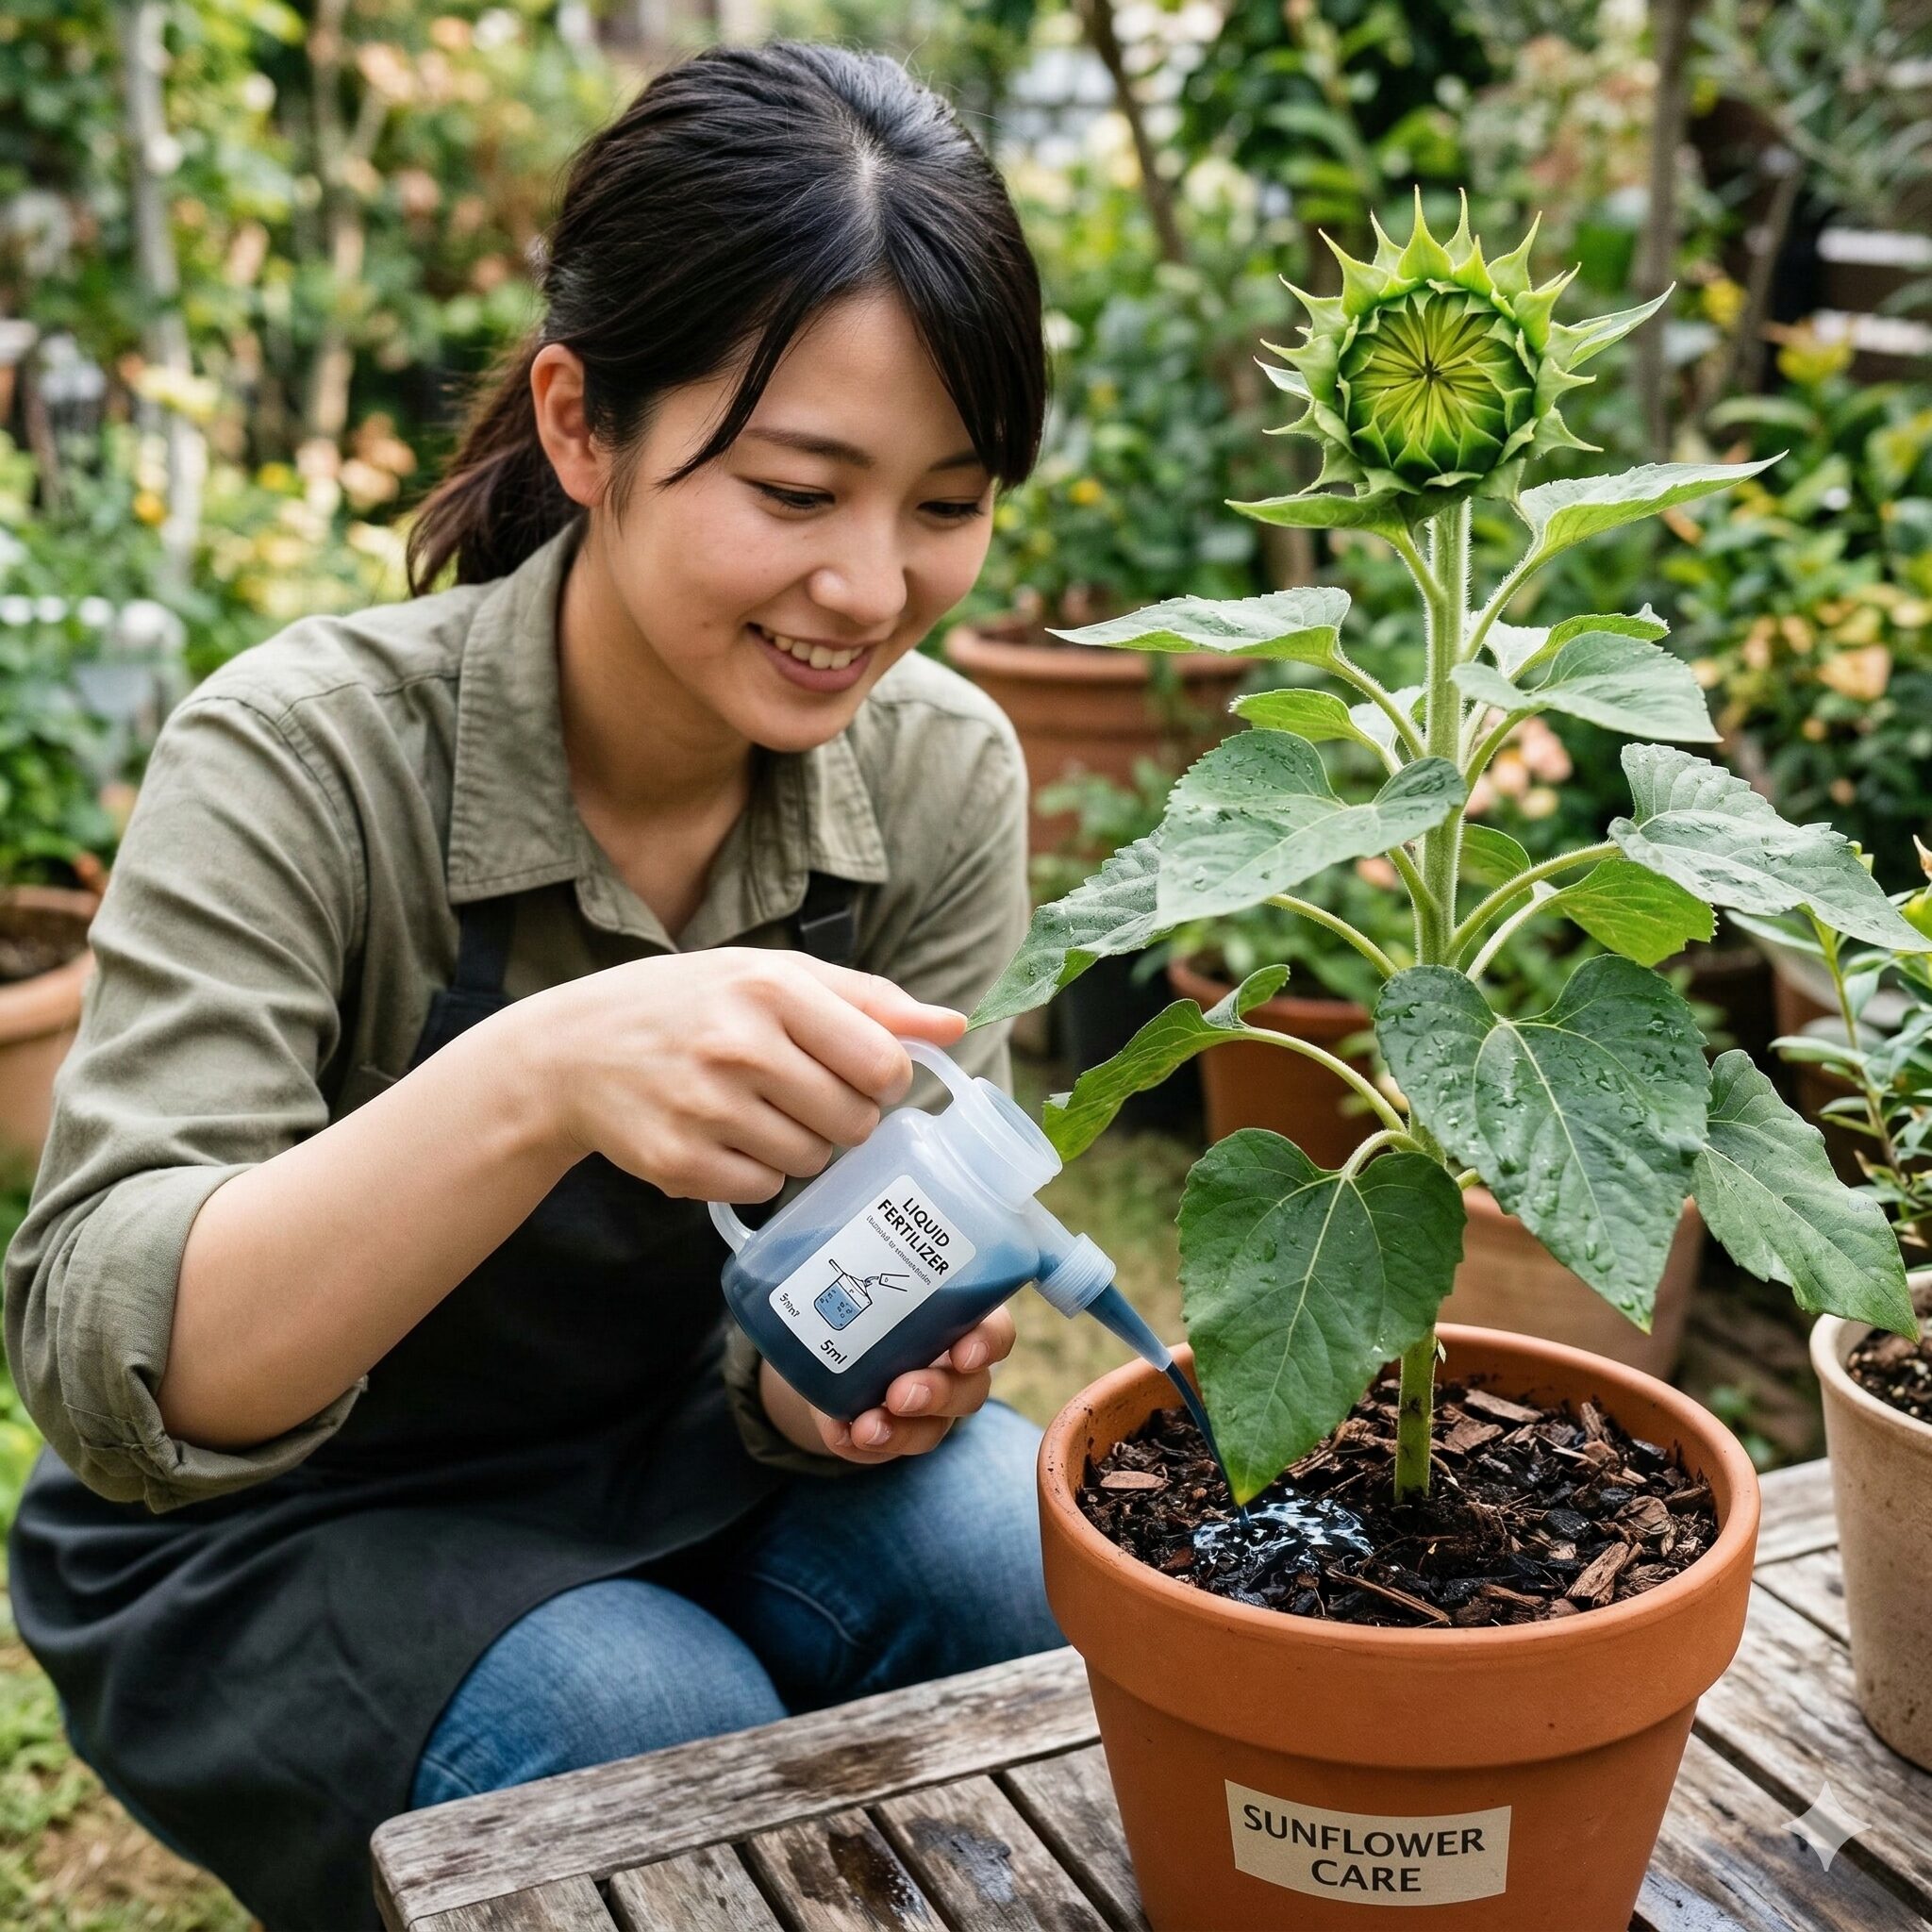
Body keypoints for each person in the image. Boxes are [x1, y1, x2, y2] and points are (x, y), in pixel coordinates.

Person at [3, 42, 1058, 1927]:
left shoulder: (938, 775)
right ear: (581, 426)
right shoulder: (306, 756)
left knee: (1031, 1539)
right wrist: (541, 1069)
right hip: (274, 1525)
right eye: (799, 489)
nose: (872, 586)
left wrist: (835, 1384)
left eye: (945, 503)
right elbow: (111, 1354)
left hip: (678, 1457)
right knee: (642, 1723)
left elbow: (838, 1284)